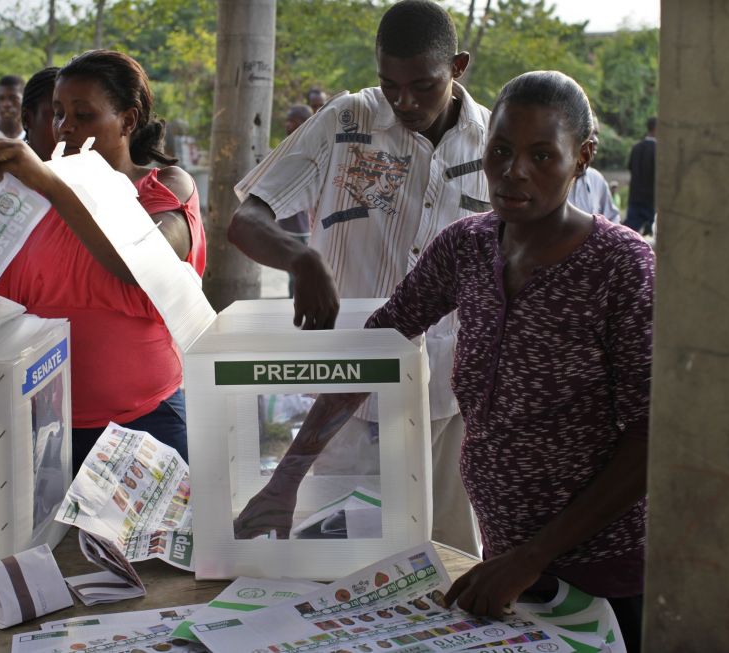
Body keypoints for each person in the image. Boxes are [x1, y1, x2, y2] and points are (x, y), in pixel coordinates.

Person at [239, 70, 652, 652]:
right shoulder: (467, 247)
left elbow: (650, 436)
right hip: (507, 557)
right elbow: (375, 355)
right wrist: (286, 478)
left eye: (542, 156)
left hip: (602, 569)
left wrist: (533, 557)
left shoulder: (622, 269)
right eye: (501, 150)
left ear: (582, 158)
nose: (514, 172)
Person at [229, 0, 489, 554]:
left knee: (452, 559)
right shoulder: (346, 123)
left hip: (451, 396)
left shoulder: (492, 141)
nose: (405, 102)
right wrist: (299, 259)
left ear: (459, 67)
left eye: (423, 84)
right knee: (342, 554)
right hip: (346, 401)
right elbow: (247, 220)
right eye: (389, 85)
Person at [0, 50, 206, 472]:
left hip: (144, 425)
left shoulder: (164, 188)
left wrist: (54, 186)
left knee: (143, 541)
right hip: (44, 427)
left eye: (82, 115)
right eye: (59, 114)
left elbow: (144, 264)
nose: (66, 128)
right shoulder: (34, 199)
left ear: (127, 119)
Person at [278, 104, 314, 297]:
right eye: (288, 120)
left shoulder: (309, 147)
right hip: (288, 224)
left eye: (293, 121)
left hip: (303, 225)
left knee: (300, 273)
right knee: (295, 273)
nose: (288, 125)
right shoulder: (288, 146)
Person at [568, 117, 619, 223]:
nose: (595, 140)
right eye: (591, 132)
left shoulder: (597, 180)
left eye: (597, 134)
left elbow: (612, 219)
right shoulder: (554, 177)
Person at [624, 116, 656, 235]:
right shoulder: (658, 150)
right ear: (656, 129)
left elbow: (631, 168)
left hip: (635, 197)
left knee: (629, 233)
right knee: (652, 233)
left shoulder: (636, 148)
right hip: (651, 200)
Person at [20, 67, 59, 160]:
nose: (69, 126)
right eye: (59, 115)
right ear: (27, 119)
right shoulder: (2, 173)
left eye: (82, 115)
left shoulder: (89, 170)